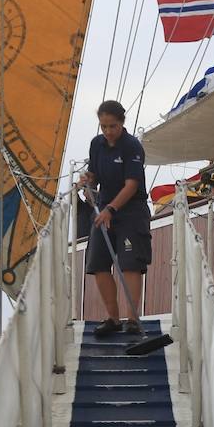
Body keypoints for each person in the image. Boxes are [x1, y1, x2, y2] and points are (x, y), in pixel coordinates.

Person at [80, 99, 153, 339]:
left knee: (130, 262)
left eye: (112, 126)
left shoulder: (132, 146)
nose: (108, 132)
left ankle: (132, 319)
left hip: (130, 211)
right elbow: (94, 177)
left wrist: (111, 208)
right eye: (104, 127)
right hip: (104, 209)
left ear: (121, 123)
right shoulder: (96, 144)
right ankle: (112, 317)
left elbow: (132, 185)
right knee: (98, 263)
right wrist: (87, 184)